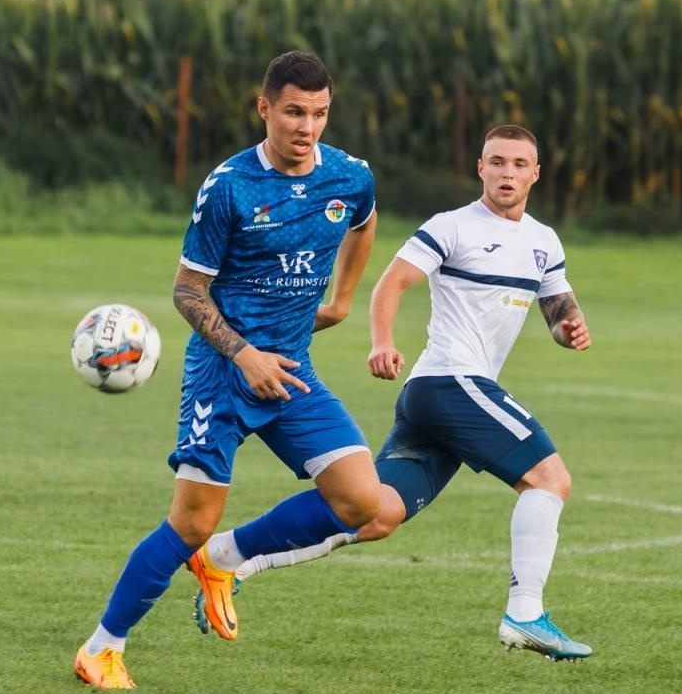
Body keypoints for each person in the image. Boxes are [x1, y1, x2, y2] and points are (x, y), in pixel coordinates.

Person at [189, 125, 595, 661]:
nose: (507, 173)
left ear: (535, 173)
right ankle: (525, 614)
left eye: (519, 164)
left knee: (376, 514)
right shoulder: (453, 227)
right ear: (481, 168)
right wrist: (382, 342)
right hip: (449, 381)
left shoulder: (544, 241)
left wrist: (570, 328)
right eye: (497, 162)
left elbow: (558, 308)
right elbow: (392, 282)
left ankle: (229, 557)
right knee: (550, 479)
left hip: (443, 399)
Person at [72, 50, 382, 690]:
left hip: (292, 372)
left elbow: (366, 220)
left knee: (361, 500)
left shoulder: (349, 177)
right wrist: (243, 353)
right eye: (294, 111)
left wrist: (345, 300)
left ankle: (225, 563)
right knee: (190, 521)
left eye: (320, 113)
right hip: (223, 373)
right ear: (264, 108)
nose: (307, 127)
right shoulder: (230, 186)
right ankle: (102, 648)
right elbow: (187, 292)